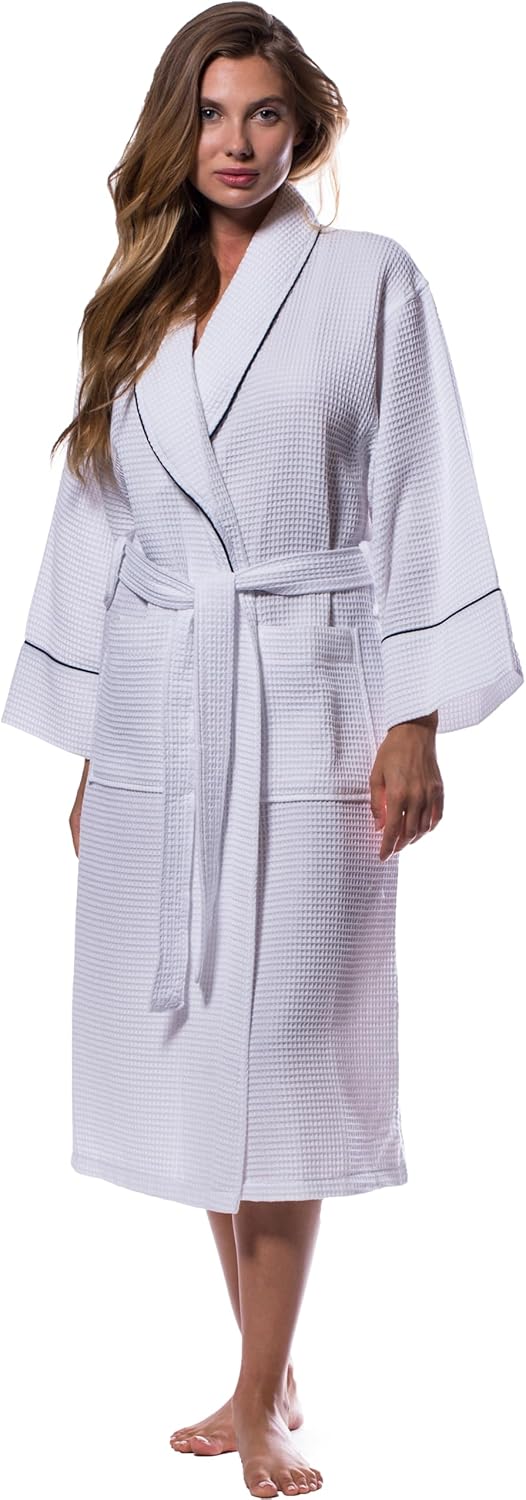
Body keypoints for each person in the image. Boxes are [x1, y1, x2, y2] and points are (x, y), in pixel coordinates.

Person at [1, 5, 523, 1496]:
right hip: (161, 710)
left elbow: (421, 488)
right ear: (178, 130)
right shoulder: (136, 298)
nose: (237, 145)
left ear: (307, 128)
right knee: (192, 1044)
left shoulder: (371, 279)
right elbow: (99, 524)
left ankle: (260, 1400)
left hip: (314, 698)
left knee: (283, 1044)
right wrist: (98, 747)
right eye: (213, 115)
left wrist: (416, 716)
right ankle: (265, 1369)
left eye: (266, 116)